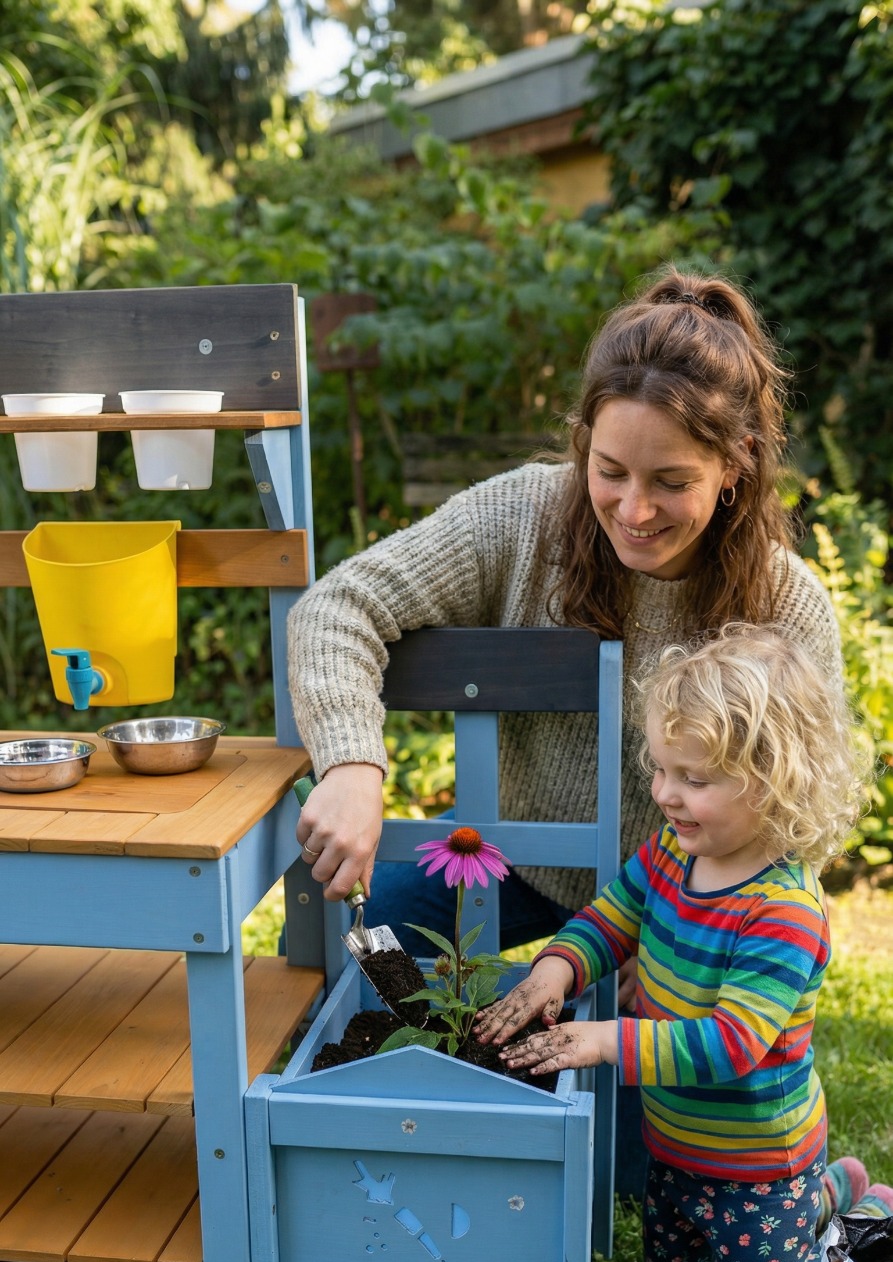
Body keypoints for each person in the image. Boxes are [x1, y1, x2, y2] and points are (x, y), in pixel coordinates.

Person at [288, 267, 843, 980]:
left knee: (647, 1087)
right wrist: (351, 764)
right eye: (610, 470)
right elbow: (335, 608)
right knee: (328, 963)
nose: (634, 511)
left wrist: (691, 935)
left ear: (735, 464)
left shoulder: (783, 604)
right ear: (583, 440)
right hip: (515, 859)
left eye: (671, 483)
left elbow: (803, 813)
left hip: (683, 897)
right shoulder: (518, 517)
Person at [473, 626, 891, 1262]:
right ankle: (821, 1201)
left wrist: (607, 1039)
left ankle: (831, 1201)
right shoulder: (673, 848)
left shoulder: (781, 910)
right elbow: (612, 916)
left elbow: (731, 1044)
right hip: (672, 1142)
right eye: (662, 770)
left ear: (776, 780)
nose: (665, 794)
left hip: (760, 1162)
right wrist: (557, 966)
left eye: (694, 780)